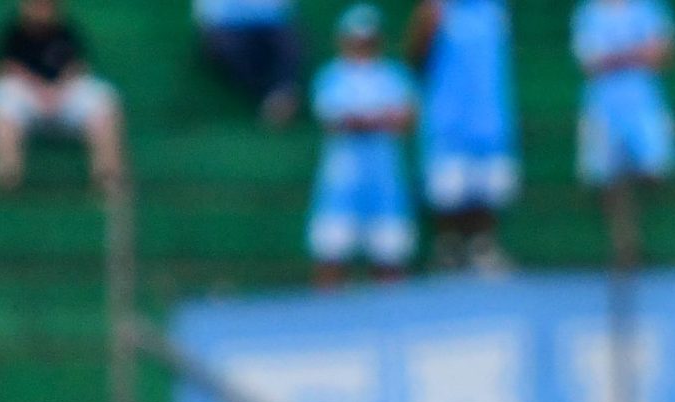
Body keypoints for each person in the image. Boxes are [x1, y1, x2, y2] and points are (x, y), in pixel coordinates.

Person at [306, 6, 418, 288]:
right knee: (331, 257)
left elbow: (405, 120)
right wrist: (377, 119)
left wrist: (362, 119)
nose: (362, 45)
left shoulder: (393, 76)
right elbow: (336, 121)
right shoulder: (332, 76)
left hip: (385, 184)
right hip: (342, 185)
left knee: (390, 261)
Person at [408, 0, 518, 272]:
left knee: (489, 187)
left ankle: (483, 247)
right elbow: (414, 57)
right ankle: (448, 248)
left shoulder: (496, 9)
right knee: (447, 190)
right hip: (448, 118)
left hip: (488, 117)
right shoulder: (435, 9)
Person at [0, 0, 125, 194]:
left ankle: (108, 178)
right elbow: (3, 70)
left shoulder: (66, 31)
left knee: (104, 98)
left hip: (63, 94)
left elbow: (79, 67)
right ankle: (8, 178)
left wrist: (56, 90)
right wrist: (39, 89)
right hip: (27, 96)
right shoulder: (13, 33)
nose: (42, 9)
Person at [574, 0, 675, 192]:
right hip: (603, 107)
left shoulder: (649, 8)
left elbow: (663, 55)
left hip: (645, 103)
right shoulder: (589, 13)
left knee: (656, 169)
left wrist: (613, 57)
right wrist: (638, 54)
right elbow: (590, 64)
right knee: (604, 179)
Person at [194, 0, 303, 127]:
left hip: (270, 26)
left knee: (288, 45)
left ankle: (280, 94)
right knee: (230, 49)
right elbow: (208, 17)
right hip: (227, 28)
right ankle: (272, 98)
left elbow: (284, 10)